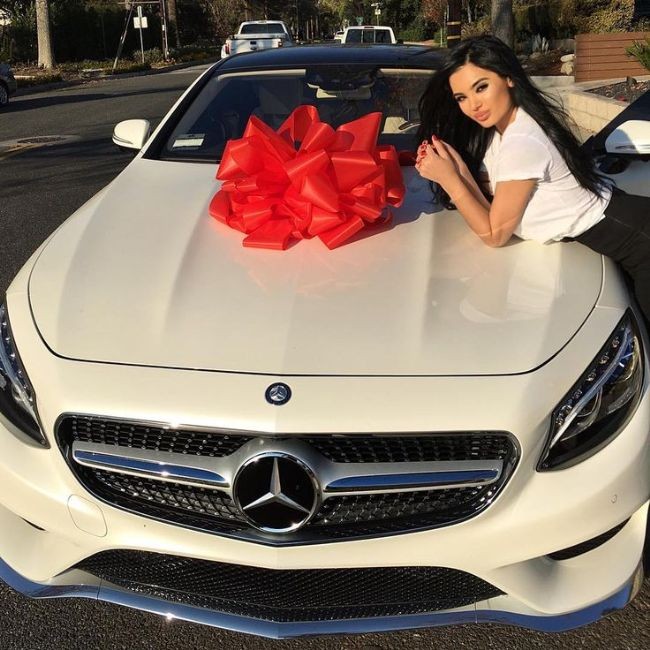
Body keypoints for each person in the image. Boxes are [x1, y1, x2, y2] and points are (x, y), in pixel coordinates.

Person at [414, 35, 650, 326]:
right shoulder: (506, 129)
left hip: (641, 243)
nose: (473, 105)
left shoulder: (522, 141)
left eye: (481, 87)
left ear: (508, 78)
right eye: (461, 97)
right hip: (627, 228)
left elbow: (495, 234)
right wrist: (458, 169)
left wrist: (449, 179)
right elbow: (496, 210)